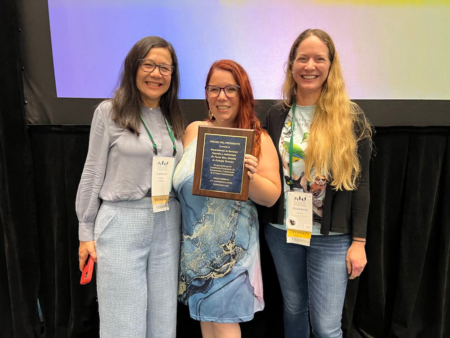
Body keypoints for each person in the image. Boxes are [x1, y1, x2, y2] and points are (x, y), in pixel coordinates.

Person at [258, 29, 373, 338]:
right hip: (283, 233)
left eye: (319, 59)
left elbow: (360, 185)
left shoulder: (350, 117)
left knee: (325, 325)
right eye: (302, 58)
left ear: (330, 66)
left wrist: (359, 243)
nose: (310, 66)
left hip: (332, 237)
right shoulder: (275, 115)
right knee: (294, 310)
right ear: (291, 65)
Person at [76, 36, 185, 338]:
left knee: (163, 323)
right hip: (121, 222)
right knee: (123, 323)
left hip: (166, 222)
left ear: (172, 75)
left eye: (165, 67)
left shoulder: (171, 118)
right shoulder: (109, 112)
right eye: (148, 64)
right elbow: (92, 171)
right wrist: (85, 232)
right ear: (133, 67)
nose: (156, 73)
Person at [173, 60, 281, 338]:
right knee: (207, 326)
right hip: (195, 253)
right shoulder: (192, 131)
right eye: (214, 89)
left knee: (222, 325)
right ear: (206, 94)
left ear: (242, 93)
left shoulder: (258, 139)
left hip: (231, 255)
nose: (222, 96)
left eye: (230, 89)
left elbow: (271, 197)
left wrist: (249, 177)